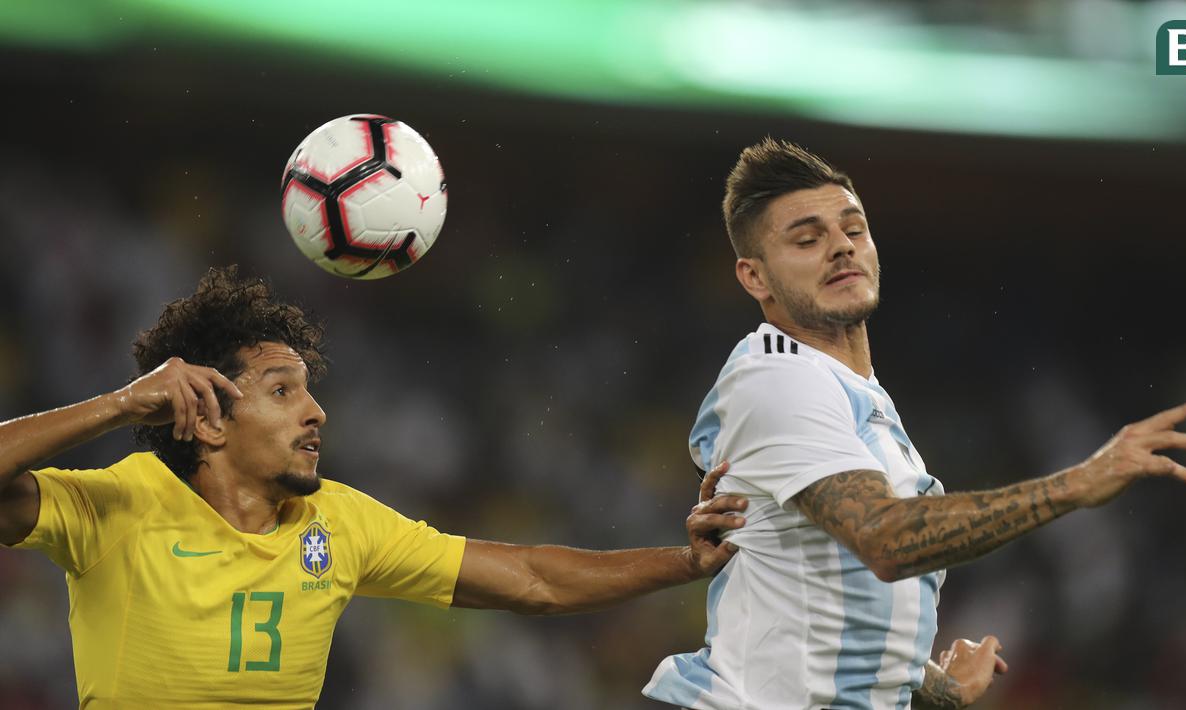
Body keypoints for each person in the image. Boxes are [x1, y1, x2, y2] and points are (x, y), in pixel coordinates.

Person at [0, 265, 747, 709]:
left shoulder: (340, 524)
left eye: (309, 390)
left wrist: (680, 564)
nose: (316, 409)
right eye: (283, 390)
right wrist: (121, 402)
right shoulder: (118, 504)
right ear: (214, 419)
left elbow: (530, 579)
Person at [643, 138, 1186, 710]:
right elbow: (886, 540)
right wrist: (1076, 485)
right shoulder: (777, 381)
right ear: (755, 278)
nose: (841, 248)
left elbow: (821, 594)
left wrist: (940, 689)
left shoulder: (852, 392)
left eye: (853, 229)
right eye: (807, 239)